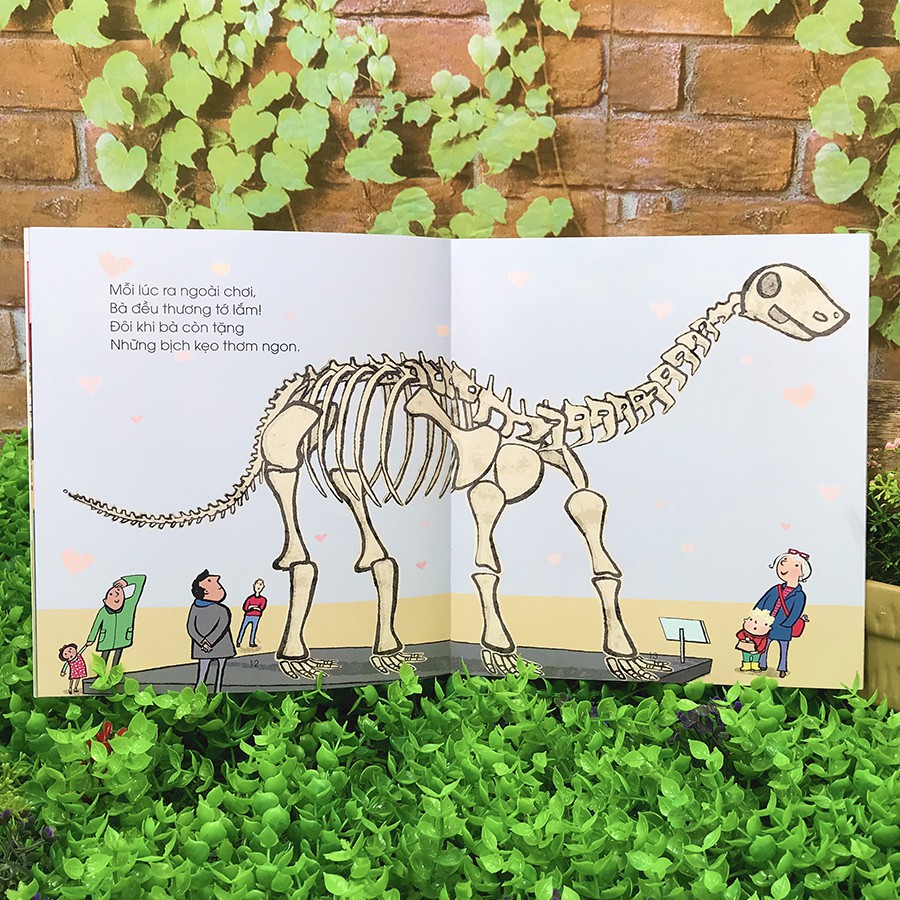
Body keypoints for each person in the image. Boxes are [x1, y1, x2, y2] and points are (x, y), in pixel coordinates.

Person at [753, 549, 811, 678]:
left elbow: (796, 612)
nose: (785, 567)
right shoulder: (776, 589)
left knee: (783, 648)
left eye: (795, 565)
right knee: (764, 644)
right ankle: (762, 663)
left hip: (783, 626)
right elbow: (763, 602)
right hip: (767, 624)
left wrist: (787, 623)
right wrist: (756, 615)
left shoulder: (799, 595)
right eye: (783, 562)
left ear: (802, 572)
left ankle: (782, 667)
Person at [186, 570, 236, 692]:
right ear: (205, 591)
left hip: (220, 646)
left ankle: (218, 690)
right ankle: (198, 691)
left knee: (220, 670)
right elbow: (191, 627)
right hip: (203, 647)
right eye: (210, 581)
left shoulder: (222, 610)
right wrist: (202, 642)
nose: (218, 586)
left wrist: (207, 642)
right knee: (203, 671)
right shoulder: (195, 607)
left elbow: (221, 627)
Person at [83, 574, 147, 670]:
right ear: (105, 600)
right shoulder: (103, 611)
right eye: (111, 594)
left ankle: (114, 674)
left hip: (122, 638)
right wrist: (91, 639)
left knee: (117, 657)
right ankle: (100, 674)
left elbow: (141, 580)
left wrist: (126, 581)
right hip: (106, 639)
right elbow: (96, 625)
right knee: (104, 657)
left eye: (118, 593)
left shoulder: (129, 605)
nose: (116, 595)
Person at [236, 578, 267, 649]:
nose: (259, 586)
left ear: (263, 587)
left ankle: (252, 642)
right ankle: (239, 642)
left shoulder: (263, 599)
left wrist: (252, 607)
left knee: (254, 629)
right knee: (243, 628)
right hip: (248, 616)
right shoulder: (250, 598)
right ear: (254, 585)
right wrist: (254, 607)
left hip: (256, 616)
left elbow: (261, 608)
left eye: (261, 584)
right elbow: (245, 608)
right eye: (257, 584)